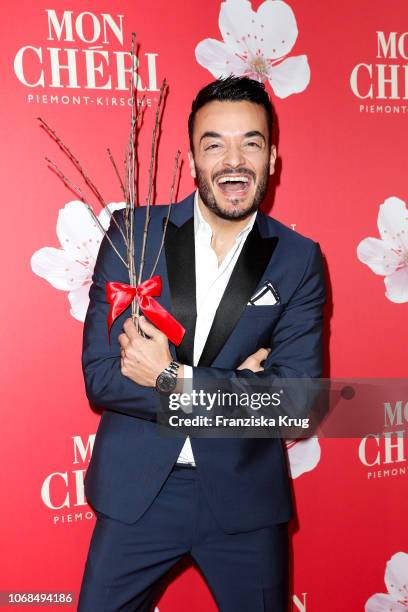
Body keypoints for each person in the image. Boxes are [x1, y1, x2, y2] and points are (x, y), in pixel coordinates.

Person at [78, 76, 326, 611]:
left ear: (273, 156)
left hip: (245, 500)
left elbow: (298, 401)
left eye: (251, 143)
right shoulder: (132, 234)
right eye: (215, 143)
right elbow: (102, 375)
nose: (233, 161)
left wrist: (172, 378)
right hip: (138, 492)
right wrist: (245, 384)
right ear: (192, 159)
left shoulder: (299, 259)